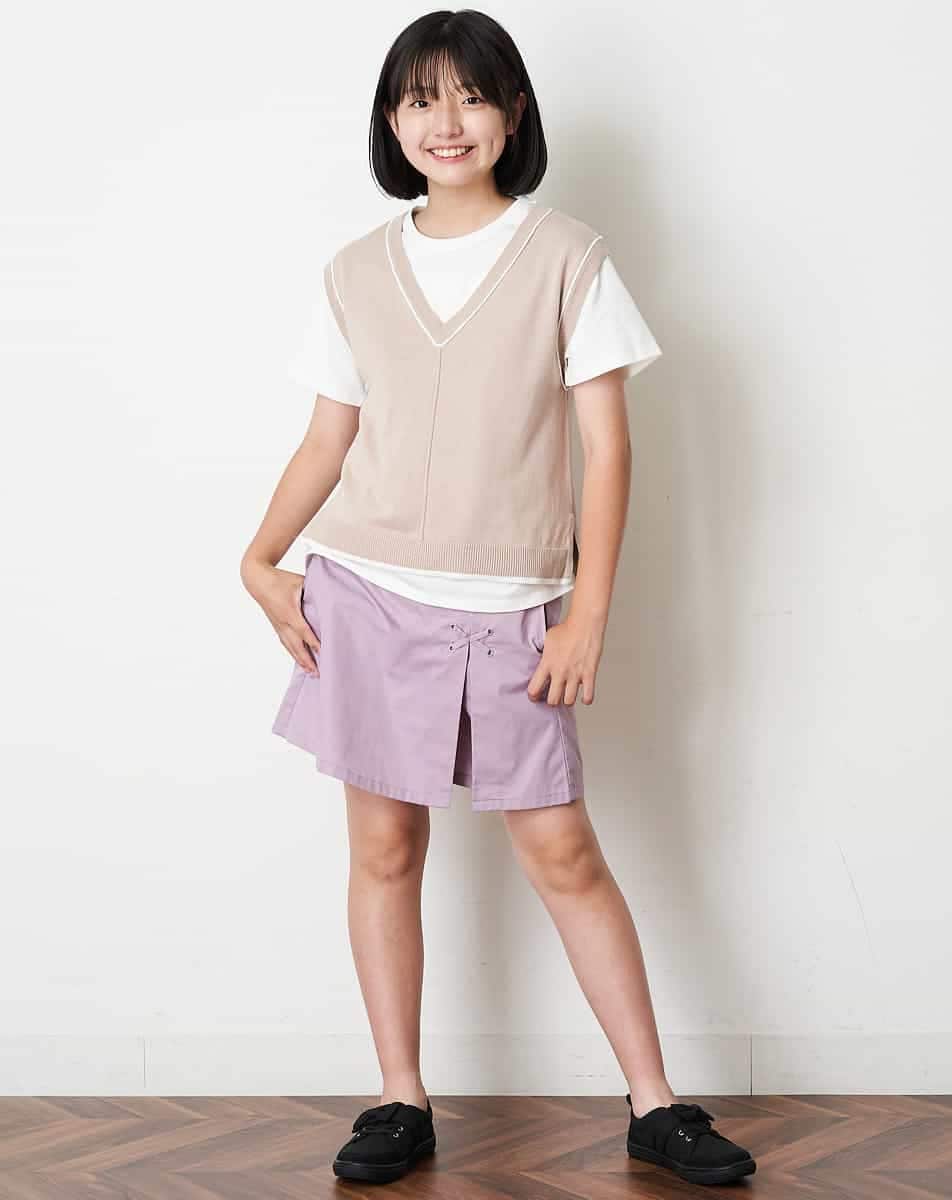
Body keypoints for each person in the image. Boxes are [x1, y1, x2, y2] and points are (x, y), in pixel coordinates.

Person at [240, 9, 757, 1188]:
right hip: (368, 595)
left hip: (514, 608)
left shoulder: (567, 256)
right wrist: (259, 558)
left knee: (562, 850)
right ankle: (400, 1099)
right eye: (419, 98)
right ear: (391, 121)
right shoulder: (354, 271)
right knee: (384, 847)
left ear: (513, 113)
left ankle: (654, 1104)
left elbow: (607, 451)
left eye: (471, 95)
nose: (446, 120)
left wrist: (587, 615)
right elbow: (328, 438)